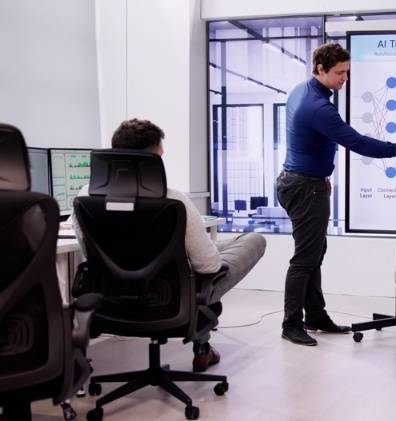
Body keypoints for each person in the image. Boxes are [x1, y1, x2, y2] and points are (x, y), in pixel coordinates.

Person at [71, 118, 267, 372]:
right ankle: (202, 342)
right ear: (150, 160)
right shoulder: (174, 200)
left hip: (113, 300)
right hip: (171, 300)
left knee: (215, 248)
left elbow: (89, 255)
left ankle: (202, 340)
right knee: (252, 240)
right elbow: (208, 267)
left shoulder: (84, 198)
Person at [277, 43, 396, 346]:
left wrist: (321, 174)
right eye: (339, 73)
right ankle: (291, 324)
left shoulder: (301, 91)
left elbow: (308, 141)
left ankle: (315, 316)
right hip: (305, 187)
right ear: (320, 69)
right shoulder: (318, 107)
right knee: (305, 259)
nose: (345, 78)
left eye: (347, 71)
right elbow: (358, 143)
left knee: (313, 253)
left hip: (300, 182)